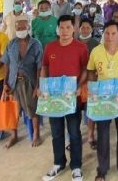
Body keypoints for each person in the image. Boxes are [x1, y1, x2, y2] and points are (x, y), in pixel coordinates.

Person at [41, 15, 87, 181]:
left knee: (74, 132)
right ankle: (59, 163)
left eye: (68, 27)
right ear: (58, 29)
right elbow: (45, 67)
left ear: (74, 29)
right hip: (54, 98)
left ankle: (76, 166)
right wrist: (42, 86)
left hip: (72, 97)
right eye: (61, 27)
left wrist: (80, 85)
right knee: (56, 132)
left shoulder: (81, 48)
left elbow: (85, 69)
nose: (65, 31)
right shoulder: (50, 47)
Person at [87, 20, 118, 181]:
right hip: (102, 100)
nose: (110, 36)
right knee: (103, 134)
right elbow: (91, 71)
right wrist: (92, 87)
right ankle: (102, 169)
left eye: (113, 33)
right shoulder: (96, 51)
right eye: (107, 33)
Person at [1, 16, 43, 149]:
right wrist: (5, 83)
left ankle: (36, 134)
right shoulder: (11, 44)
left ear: (28, 28)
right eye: (18, 28)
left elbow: (39, 66)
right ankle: (14, 135)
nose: (20, 30)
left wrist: (38, 86)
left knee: (32, 108)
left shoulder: (36, 44)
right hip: (13, 82)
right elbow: (6, 64)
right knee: (13, 110)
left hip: (29, 81)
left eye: (23, 28)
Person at [77, 19, 99, 151]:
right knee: (74, 111)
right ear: (79, 29)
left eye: (87, 27)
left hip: (91, 82)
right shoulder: (74, 42)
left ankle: (90, 136)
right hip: (76, 82)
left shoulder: (96, 44)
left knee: (90, 111)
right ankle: (74, 137)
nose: (85, 30)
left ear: (92, 29)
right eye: (83, 27)